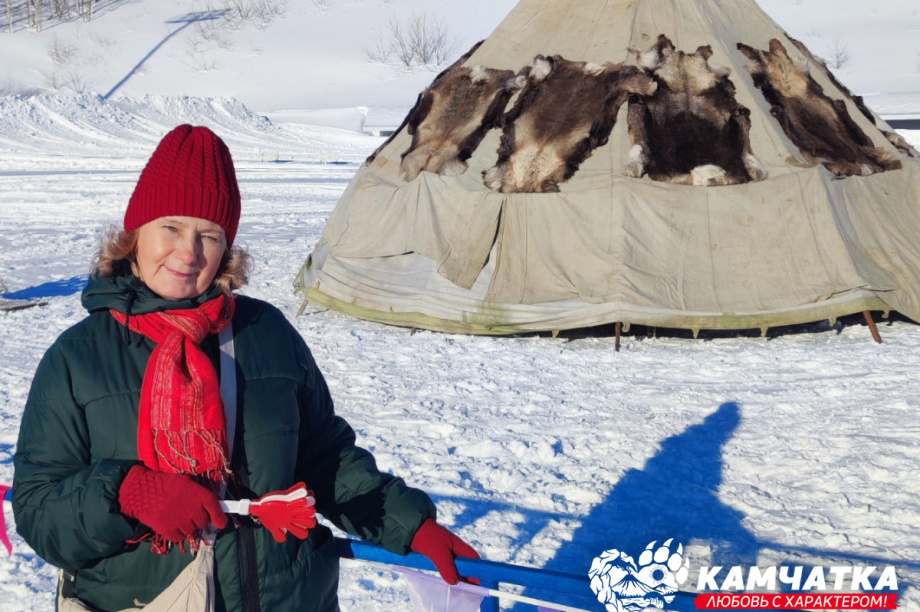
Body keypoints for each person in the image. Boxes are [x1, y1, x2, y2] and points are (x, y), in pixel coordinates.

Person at [12, 124, 478, 612]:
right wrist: (126, 493)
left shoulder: (266, 334)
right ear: (134, 235)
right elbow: (39, 513)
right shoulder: (78, 357)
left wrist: (409, 524)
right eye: (170, 227)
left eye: (208, 235)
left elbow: (325, 459)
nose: (188, 254)